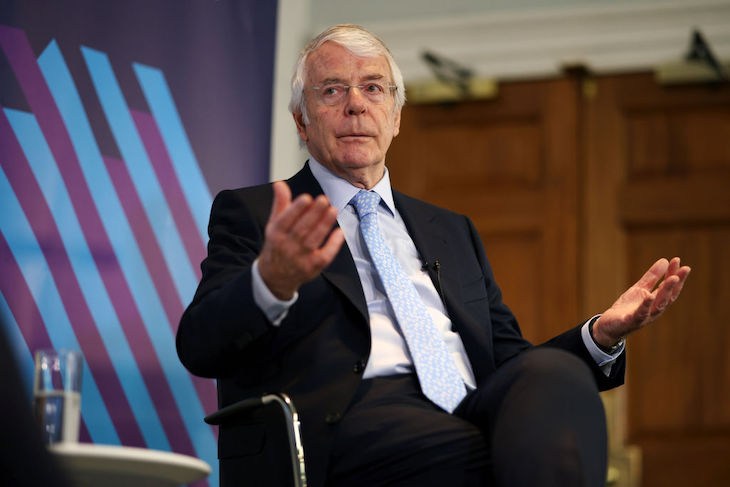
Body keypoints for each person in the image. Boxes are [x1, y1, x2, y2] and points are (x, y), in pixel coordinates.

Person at [176, 24, 690, 487]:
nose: (355, 105)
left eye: (373, 88)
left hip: (468, 406)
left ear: (396, 116)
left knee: (555, 376)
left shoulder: (451, 229)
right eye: (332, 90)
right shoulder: (260, 212)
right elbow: (201, 345)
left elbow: (511, 362)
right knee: (513, 455)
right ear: (301, 121)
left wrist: (600, 336)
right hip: (345, 423)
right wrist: (271, 280)